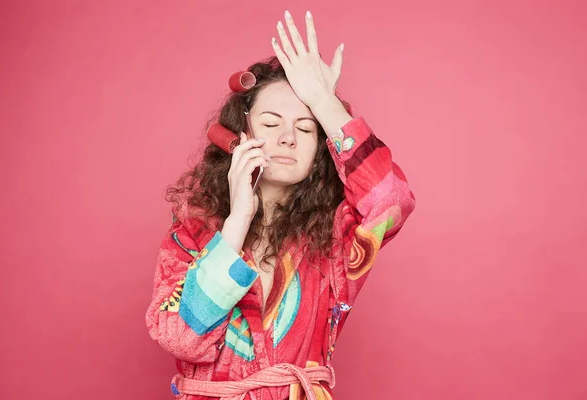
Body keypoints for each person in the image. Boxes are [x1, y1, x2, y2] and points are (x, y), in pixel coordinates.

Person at [146, 10, 416, 400]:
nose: (288, 137)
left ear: (320, 148)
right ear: (239, 134)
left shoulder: (335, 238)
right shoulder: (193, 234)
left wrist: (324, 101)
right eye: (271, 124)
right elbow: (182, 339)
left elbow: (391, 200)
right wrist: (238, 220)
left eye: (306, 127)